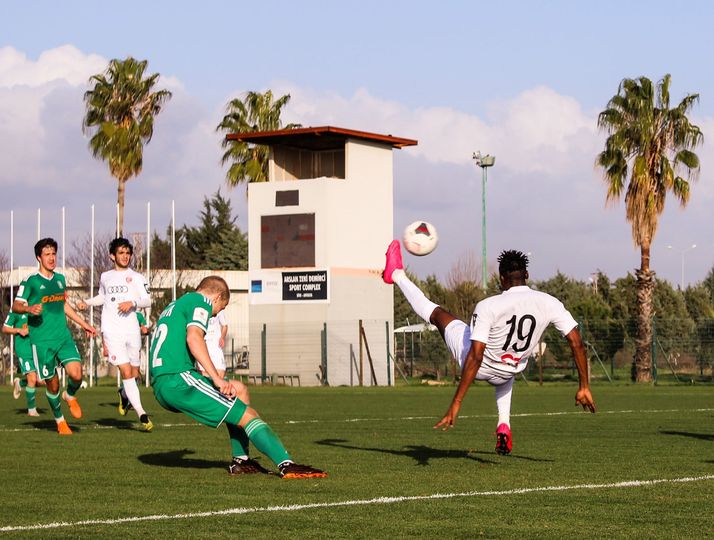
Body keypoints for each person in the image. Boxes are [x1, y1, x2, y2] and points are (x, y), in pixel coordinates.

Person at [383, 240, 596, 455]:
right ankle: (504, 425)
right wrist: (584, 386)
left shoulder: (488, 306)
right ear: (527, 275)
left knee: (437, 315)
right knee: (507, 361)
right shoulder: (550, 302)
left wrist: (456, 402)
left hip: (481, 367)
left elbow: (475, 356)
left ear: (502, 278)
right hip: (511, 370)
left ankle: (397, 275)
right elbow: (576, 343)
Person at [149, 275, 327, 478]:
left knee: (239, 390)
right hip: (178, 381)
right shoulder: (201, 301)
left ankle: (241, 460)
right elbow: (194, 337)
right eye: (221, 308)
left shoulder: (175, 305)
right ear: (216, 297)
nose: (216, 314)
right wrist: (216, 378)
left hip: (166, 381)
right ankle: (286, 465)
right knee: (248, 415)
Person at [12, 238, 97, 435]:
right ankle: (60, 421)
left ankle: (70, 395)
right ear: (38, 258)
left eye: (53, 254)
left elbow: (63, 305)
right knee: (52, 382)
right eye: (47, 254)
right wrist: (28, 307)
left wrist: (84, 324)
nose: (51, 258)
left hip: (63, 337)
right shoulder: (31, 282)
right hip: (41, 342)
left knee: (77, 374)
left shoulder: (60, 279)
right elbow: (17, 305)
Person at [77, 237, 153, 431]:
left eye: (128, 253)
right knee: (126, 372)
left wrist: (132, 303)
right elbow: (103, 296)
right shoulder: (105, 276)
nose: (125, 256)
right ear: (112, 255)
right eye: (121, 253)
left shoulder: (137, 277)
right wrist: (87, 302)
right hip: (111, 330)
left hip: (132, 330)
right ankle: (142, 414)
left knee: (134, 374)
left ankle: (124, 394)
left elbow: (147, 300)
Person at [3, 309, 39, 416]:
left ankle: (20, 383)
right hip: (24, 349)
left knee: (42, 381)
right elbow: (5, 328)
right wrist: (19, 330)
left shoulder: (36, 307)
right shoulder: (16, 309)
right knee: (32, 378)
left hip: (37, 348)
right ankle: (32, 410)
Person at [198, 310, 228, 379]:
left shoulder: (219, 310)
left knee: (221, 374)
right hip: (203, 345)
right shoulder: (200, 307)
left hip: (216, 345)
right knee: (201, 373)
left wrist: (222, 337)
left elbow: (225, 326)